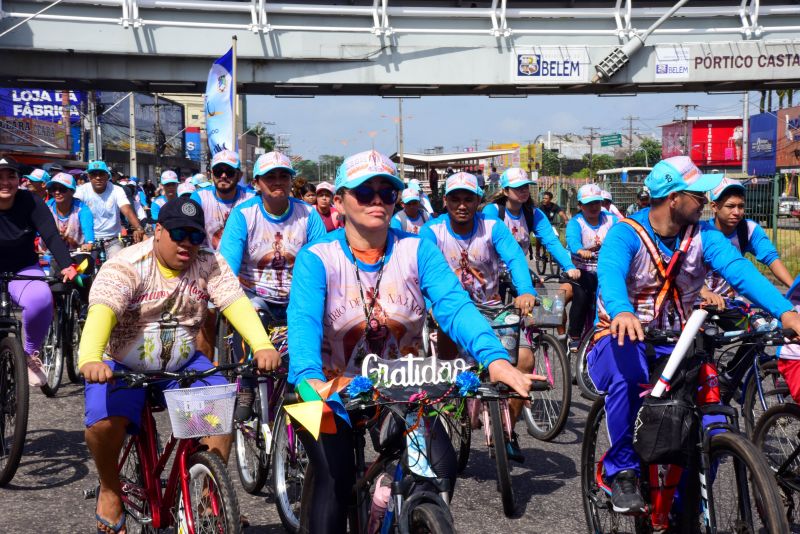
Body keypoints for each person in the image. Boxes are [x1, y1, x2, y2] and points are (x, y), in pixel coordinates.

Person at [287, 150, 537, 533]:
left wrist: (496, 360)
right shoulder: (316, 257)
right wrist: (309, 378)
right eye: (364, 192)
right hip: (331, 391)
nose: (376, 201)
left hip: (402, 387)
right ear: (339, 201)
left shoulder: (417, 249)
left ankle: (392, 507)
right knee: (333, 487)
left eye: (386, 193)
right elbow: (304, 324)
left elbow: (455, 307)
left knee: (441, 466)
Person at [588, 156, 800, 513]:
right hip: (620, 336)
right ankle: (620, 471)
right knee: (629, 378)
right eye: (697, 193)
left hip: (679, 343)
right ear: (673, 198)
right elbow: (610, 272)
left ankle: (687, 499)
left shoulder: (705, 236)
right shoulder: (626, 234)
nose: (705, 199)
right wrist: (622, 309)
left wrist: (786, 312)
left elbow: (739, 271)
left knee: (715, 417)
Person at [78, 196, 280, 534]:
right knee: (102, 425)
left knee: (217, 411)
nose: (187, 243)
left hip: (182, 364)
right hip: (123, 366)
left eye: (195, 235)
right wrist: (89, 358)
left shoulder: (207, 263)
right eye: (178, 233)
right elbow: (103, 310)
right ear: (158, 231)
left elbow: (235, 302)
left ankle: (206, 495)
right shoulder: (126, 265)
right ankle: (110, 489)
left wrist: (261, 345)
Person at [420, 171, 550, 462]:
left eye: (469, 199)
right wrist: (431, 303)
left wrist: (525, 291)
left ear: (479, 201)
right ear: (445, 201)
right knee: (447, 361)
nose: (462, 205)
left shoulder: (492, 227)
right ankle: (453, 401)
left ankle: (509, 431)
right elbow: (422, 272)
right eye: (456, 199)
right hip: (449, 312)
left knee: (525, 360)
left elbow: (515, 258)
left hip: (492, 309)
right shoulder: (432, 230)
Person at [220, 151, 326, 419]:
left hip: (296, 297)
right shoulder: (243, 215)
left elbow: (326, 261)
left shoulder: (308, 215)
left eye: (283, 176)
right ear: (257, 182)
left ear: (292, 181)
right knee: (247, 311)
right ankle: (246, 385)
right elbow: (227, 267)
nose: (277, 181)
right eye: (270, 177)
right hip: (255, 294)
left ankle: (301, 383)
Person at [702, 178, 796, 402]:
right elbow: (684, 272)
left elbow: (771, 259)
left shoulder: (748, 230)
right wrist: (703, 292)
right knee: (700, 346)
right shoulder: (700, 233)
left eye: (741, 206)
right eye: (730, 206)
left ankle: (730, 376)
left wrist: (794, 291)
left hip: (730, 303)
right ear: (714, 206)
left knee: (760, 331)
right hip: (700, 302)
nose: (737, 212)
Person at [0, 156, 78, 386]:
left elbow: (51, 234)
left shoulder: (31, 201)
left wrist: (66, 265)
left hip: (22, 268)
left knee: (42, 299)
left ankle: (30, 354)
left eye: (10, 176)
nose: (5, 182)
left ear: (19, 180)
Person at [482, 167, 578, 272]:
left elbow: (551, 241)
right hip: (490, 272)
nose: (523, 190)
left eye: (525, 186)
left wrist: (569, 267)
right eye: (518, 187)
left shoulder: (533, 213)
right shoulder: (492, 211)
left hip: (517, 270)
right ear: (505, 191)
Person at [564, 184, 617, 352]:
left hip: (606, 270)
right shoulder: (576, 222)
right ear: (580, 205)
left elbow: (625, 233)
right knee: (581, 295)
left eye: (596, 202)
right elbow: (572, 241)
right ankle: (574, 335)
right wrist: (580, 250)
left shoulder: (612, 220)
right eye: (588, 204)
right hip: (581, 270)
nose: (593, 207)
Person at [75, 160, 145, 258]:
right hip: (87, 240)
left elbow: (127, 211)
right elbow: (73, 212)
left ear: (108, 176)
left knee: (117, 265)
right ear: (89, 177)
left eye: (101, 174)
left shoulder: (117, 190)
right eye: (94, 174)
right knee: (84, 268)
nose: (98, 177)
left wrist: (139, 228)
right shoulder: (81, 191)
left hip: (113, 240)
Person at [43, 172, 95, 253]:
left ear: (72, 191)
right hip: (48, 253)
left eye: (62, 189)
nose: (57, 192)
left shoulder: (82, 209)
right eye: (53, 189)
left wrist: (89, 243)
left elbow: (88, 231)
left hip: (75, 253)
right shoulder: (46, 207)